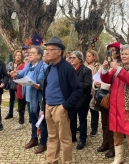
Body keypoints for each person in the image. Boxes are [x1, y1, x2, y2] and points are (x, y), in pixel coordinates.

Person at [101, 44, 129, 164]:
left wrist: (119, 69)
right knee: (116, 133)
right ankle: (118, 158)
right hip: (116, 107)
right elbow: (106, 80)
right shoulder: (118, 67)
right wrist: (105, 69)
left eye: (126, 54)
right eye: (122, 54)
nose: (123, 56)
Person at [41, 36, 83, 164]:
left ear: (59, 52)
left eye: (50, 49)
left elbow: (78, 90)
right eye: (46, 49)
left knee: (65, 139)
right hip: (48, 107)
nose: (46, 52)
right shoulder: (49, 68)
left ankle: (66, 162)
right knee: (52, 137)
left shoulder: (67, 68)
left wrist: (64, 107)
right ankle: (52, 160)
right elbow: (46, 89)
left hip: (61, 108)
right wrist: (43, 108)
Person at [12, 46, 48, 154]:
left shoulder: (44, 67)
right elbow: (21, 74)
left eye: (33, 53)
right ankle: (34, 139)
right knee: (33, 119)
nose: (29, 55)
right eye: (29, 53)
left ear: (39, 55)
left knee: (42, 121)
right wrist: (15, 74)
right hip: (29, 97)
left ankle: (43, 142)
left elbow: (45, 83)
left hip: (39, 98)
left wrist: (39, 86)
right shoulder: (29, 65)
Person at [96, 42, 122, 158]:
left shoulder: (121, 65)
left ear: (118, 51)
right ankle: (105, 142)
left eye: (113, 50)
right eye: (109, 50)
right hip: (103, 96)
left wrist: (104, 82)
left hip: (115, 96)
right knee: (105, 122)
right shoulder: (106, 63)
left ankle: (113, 148)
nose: (111, 52)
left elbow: (112, 81)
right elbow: (100, 77)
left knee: (113, 124)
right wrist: (96, 84)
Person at [69, 51, 92, 150]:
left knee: (82, 120)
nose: (71, 59)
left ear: (79, 59)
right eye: (70, 58)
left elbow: (88, 85)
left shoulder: (86, 70)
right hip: (71, 99)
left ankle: (83, 139)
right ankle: (73, 136)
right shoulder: (69, 70)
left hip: (83, 99)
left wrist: (75, 84)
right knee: (72, 119)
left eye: (73, 58)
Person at [84, 49, 101, 137]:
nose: (87, 58)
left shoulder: (98, 66)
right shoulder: (84, 65)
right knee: (84, 109)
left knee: (94, 109)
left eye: (89, 56)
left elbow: (100, 76)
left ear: (94, 57)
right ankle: (83, 126)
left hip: (94, 90)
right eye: (86, 56)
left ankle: (94, 129)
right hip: (85, 91)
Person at [4, 50, 23, 120]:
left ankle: (21, 114)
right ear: (14, 56)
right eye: (17, 55)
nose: (18, 56)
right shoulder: (10, 64)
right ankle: (10, 113)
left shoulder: (22, 64)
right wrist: (9, 72)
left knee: (20, 99)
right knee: (12, 99)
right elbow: (6, 72)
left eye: (19, 55)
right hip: (11, 83)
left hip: (19, 84)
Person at [15, 53, 30, 130]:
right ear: (23, 60)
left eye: (29, 59)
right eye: (26, 59)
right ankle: (21, 122)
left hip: (30, 92)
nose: (28, 60)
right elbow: (15, 77)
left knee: (31, 109)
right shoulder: (20, 67)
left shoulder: (32, 67)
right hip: (21, 91)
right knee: (21, 108)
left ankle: (32, 122)